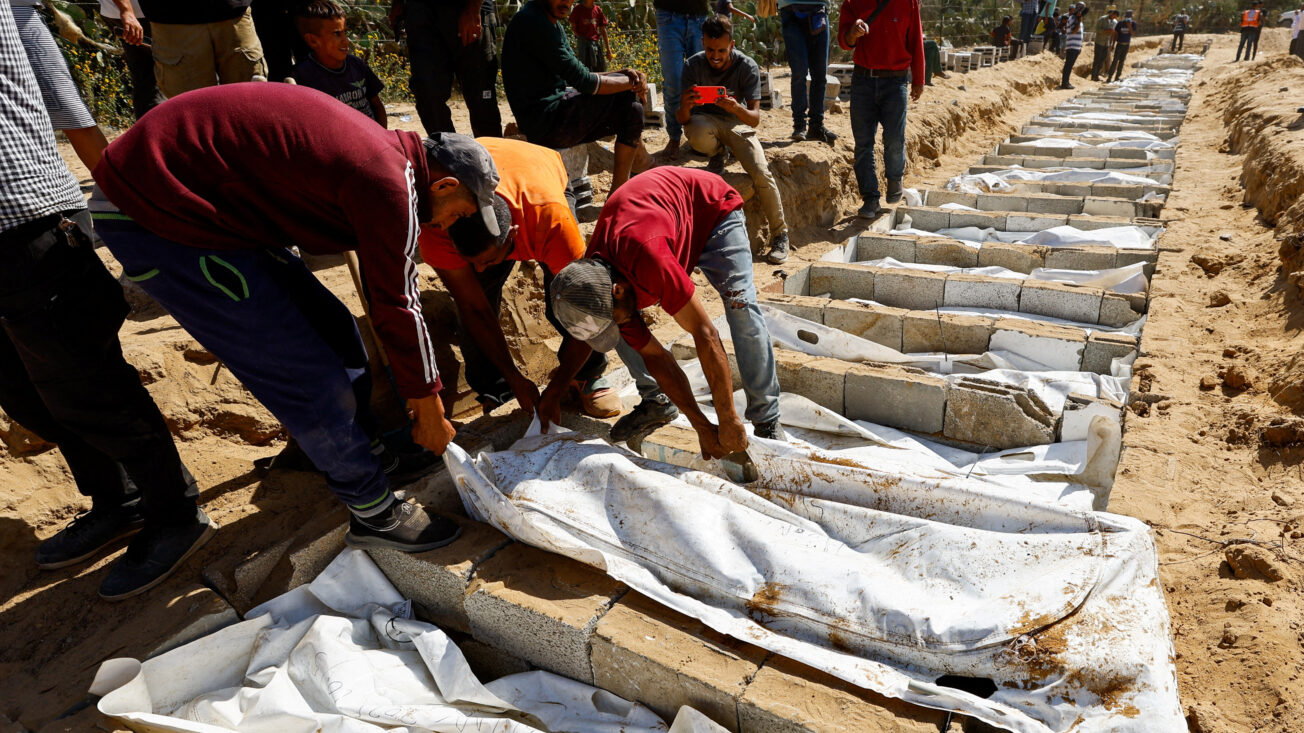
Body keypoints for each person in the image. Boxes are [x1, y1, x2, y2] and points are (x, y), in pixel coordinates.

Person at [92, 84, 498, 555]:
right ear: (444, 184)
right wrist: (427, 405)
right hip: (154, 210)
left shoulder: (388, 158)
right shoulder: (389, 181)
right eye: (458, 213)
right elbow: (397, 300)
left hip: (213, 208)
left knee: (337, 332)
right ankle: (373, 512)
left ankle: (365, 452)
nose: (446, 225)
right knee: (304, 369)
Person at [0, 1, 204, 601]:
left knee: (88, 385)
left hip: (24, 218)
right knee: (25, 390)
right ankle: (119, 496)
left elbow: (54, 82)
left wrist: (122, 192)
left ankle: (175, 512)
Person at [544, 167, 786, 455]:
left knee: (740, 306)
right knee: (618, 329)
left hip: (712, 211)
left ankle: (766, 418)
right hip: (662, 223)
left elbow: (705, 334)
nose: (620, 324)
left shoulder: (649, 260)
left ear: (617, 290)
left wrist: (727, 419)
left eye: (617, 318)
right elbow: (656, 357)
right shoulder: (592, 282)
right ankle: (657, 402)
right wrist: (703, 427)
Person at [417, 137, 622, 418]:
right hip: (487, 177)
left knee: (565, 298)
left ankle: (588, 374)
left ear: (513, 235)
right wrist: (515, 379)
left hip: (539, 171)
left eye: (486, 260)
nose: (478, 268)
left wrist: (556, 387)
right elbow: (474, 308)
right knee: (477, 300)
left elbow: (589, 306)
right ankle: (495, 388)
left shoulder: (550, 219)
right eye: (472, 262)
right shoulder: (436, 227)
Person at [502, 0, 650, 192]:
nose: (566, 2)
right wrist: (634, 82)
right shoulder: (534, 22)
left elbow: (580, 73)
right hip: (544, 123)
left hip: (551, 115)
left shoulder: (548, 21)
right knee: (629, 103)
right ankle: (622, 188)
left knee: (630, 105)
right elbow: (585, 82)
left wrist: (624, 73)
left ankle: (622, 187)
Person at [677, 16, 791, 264]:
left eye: (721, 50)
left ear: (733, 44)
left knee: (761, 173)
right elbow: (681, 118)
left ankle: (780, 234)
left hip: (737, 122)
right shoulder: (692, 66)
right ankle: (718, 153)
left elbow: (754, 119)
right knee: (696, 132)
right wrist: (686, 104)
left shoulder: (747, 66)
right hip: (705, 121)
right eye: (709, 49)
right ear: (703, 42)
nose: (714, 56)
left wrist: (735, 107)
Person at [838, 0, 925, 220]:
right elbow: (844, 42)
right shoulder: (852, 3)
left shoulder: (908, 3)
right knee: (863, 144)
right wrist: (853, 33)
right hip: (863, 81)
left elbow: (916, 40)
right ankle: (870, 198)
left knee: (895, 138)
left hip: (895, 83)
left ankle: (895, 178)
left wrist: (919, 79)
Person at [9, 0, 110, 171]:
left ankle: (116, 185)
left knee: (66, 105)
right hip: (17, 14)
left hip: (19, 12)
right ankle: (118, 187)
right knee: (66, 104)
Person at [391, 0, 502, 138]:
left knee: (481, 96)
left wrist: (473, 9)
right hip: (421, 13)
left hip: (466, 8)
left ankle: (492, 154)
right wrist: (398, 3)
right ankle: (448, 152)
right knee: (427, 91)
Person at [136, 0, 268, 97]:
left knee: (250, 101)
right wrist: (126, 11)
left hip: (234, 15)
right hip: (173, 21)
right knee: (191, 113)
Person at [292, 0, 386, 126]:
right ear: (313, 41)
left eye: (345, 33)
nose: (346, 41)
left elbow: (377, 105)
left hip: (370, 139)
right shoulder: (303, 77)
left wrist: (383, 136)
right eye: (337, 34)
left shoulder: (357, 65)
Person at [652, 0, 708, 159]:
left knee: (700, 81)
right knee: (673, 82)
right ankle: (675, 137)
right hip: (668, 15)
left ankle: (699, 136)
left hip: (699, 16)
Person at [780, 0, 838, 144]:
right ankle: (799, 126)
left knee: (820, 73)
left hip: (819, 10)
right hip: (791, 10)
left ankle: (816, 125)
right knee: (799, 72)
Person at [99, 0, 162, 119]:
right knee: (156, 79)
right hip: (138, 15)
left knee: (147, 80)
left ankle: (150, 133)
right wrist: (127, 11)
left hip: (129, 14)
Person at [570, 0, 611, 73]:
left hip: (595, 46)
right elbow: (573, 27)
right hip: (584, 46)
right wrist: (582, 39)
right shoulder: (578, 9)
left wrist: (608, 50)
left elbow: (603, 31)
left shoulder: (597, 10)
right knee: (585, 71)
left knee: (600, 71)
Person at [1106, 9, 1136, 83]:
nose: (1128, 18)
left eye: (1130, 17)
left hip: (1126, 45)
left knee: (1122, 61)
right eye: (1127, 17)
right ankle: (1109, 77)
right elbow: (1115, 34)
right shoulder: (1120, 23)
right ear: (1125, 16)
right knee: (1115, 61)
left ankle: (1117, 77)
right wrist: (1113, 44)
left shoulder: (1133, 24)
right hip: (1119, 44)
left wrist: (1129, 25)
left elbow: (1132, 33)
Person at [1059, 3, 1084, 90]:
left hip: (1076, 46)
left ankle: (1066, 82)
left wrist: (1080, 46)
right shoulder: (1073, 18)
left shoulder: (1078, 19)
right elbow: (1074, 31)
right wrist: (1079, 21)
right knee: (1068, 65)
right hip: (1072, 46)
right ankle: (1064, 83)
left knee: (1070, 65)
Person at [1091, 9, 1117, 82]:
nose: (1114, 18)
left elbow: (1113, 34)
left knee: (1102, 60)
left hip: (1107, 43)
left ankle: (1097, 75)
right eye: (1113, 16)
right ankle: (1093, 76)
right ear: (1111, 14)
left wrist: (1111, 44)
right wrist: (1106, 31)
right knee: (1097, 59)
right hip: (1099, 42)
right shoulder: (1102, 19)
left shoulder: (1114, 22)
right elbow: (1097, 29)